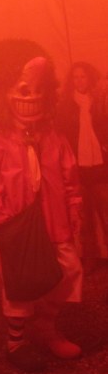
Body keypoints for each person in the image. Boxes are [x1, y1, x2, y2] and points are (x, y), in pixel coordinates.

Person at [0, 39, 83, 372]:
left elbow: (69, 173)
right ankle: (16, 342)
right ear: (0, 90)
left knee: (70, 270)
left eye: (38, 89)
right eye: (23, 88)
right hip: (17, 225)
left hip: (55, 220)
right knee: (19, 284)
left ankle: (46, 325)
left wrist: (74, 207)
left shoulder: (51, 133)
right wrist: (6, 225)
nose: (31, 97)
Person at [56, 61, 108, 272]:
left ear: (90, 78)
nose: (79, 81)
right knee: (85, 220)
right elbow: (61, 136)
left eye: (83, 76)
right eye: (75, 77)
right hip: (78, 169)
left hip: (101, 168)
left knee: (106, 215)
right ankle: (90, 260)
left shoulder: (100, 101)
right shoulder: (65, 106)